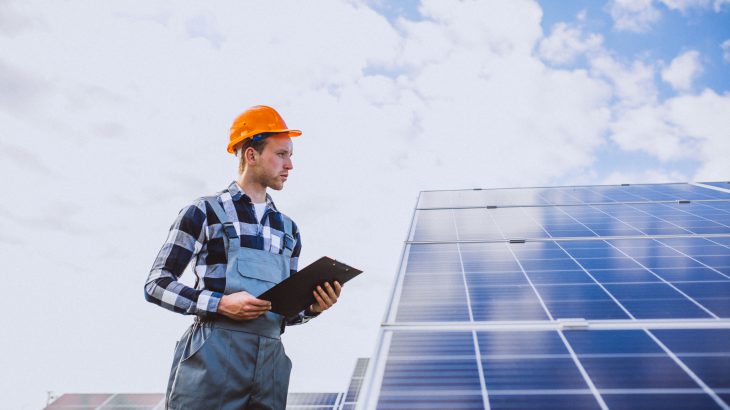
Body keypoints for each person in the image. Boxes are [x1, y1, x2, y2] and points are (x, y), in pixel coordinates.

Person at [144, 105, 342, 410]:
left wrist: (312, 308)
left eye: (291, 156)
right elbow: (156, 284)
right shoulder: (204, 211)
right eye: (281, 154)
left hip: (270, 363)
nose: (289, 165)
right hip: (212, 355)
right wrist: (220, 303)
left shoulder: (288, 229)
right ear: (251, 155)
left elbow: (283, 313)